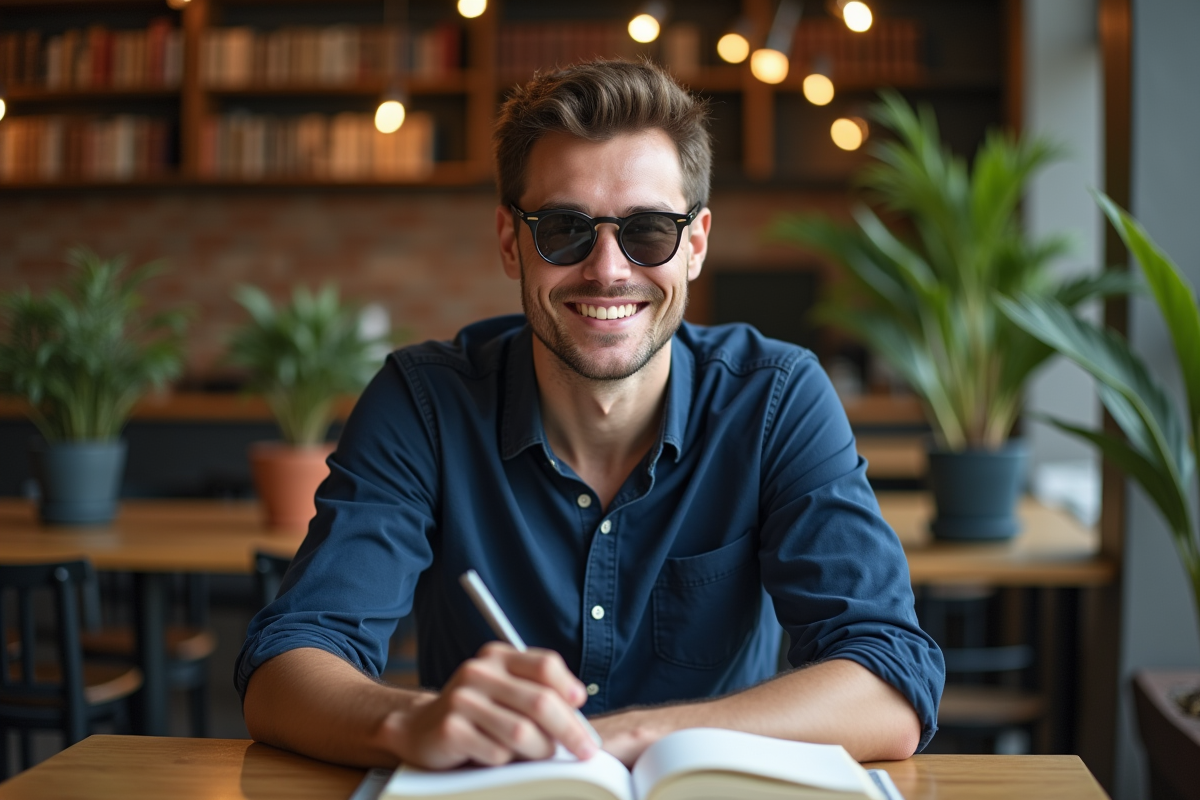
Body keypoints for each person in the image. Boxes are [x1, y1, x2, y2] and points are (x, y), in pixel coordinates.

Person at [237, 59, 944, 771]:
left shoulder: (776, 399)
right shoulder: (424, 402)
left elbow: (890, 682)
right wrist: (410, 721)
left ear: (694, 245)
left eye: (648, 232)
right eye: (566, 229)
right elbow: (282, 671)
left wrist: (632, 737)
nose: (607, 269)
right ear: (513, 242)